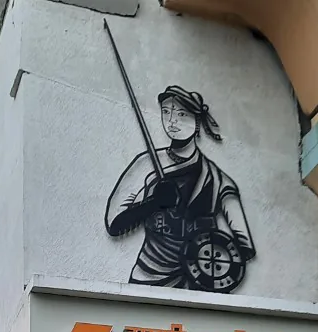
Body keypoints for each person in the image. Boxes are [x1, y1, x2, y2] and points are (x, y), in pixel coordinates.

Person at [105, 85, 255, 291]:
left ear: (197, 122)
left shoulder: (217, 180)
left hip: (199, 287)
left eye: (182, 114)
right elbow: (114, 224)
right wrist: (153, 204)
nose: (172, 121)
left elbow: (244, 245)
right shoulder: (146, 165)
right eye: (166, 112)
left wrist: (213, 259)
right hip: (148, 276)